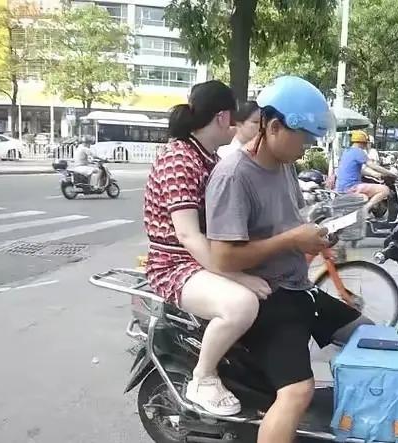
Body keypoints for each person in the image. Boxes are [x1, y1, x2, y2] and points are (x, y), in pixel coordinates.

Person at [205, 76, 371, 443]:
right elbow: (222, 256)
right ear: (274, 125)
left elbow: (291, 223)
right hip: (268, 298)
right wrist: (292, 239)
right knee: (298, 391)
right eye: (305, 138)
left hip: (300, 290)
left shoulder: (285, 166)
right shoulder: (233, 176)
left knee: (375, 337)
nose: (307, 147)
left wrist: (317, 232)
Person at [143, 80, 270, 416]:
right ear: (222, 117)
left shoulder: (206, 156)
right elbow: (188, 236)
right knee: (241, 304)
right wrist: (237, 275)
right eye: (238, 120)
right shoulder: (179, 160)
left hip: (200, 260)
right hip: (174, 265)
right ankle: (203, 376)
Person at [335, 129, 398, 213]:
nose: (366, 145)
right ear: (362, 142)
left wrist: (375, 174)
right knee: (385, 190)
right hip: (352, 187)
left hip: (340, 187)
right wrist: (391, 174)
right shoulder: (359, 152)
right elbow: (373, 165)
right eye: (366, 143)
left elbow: (360, 170)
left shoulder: (346, 152)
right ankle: (365, 210)